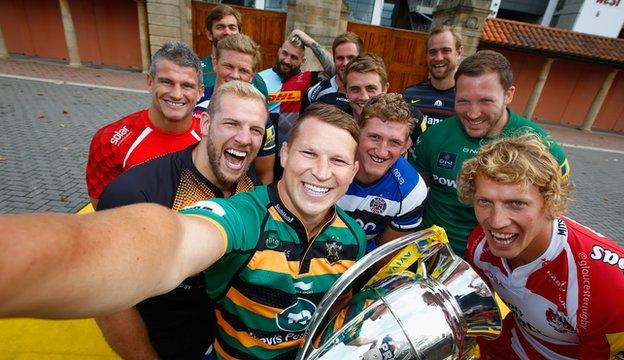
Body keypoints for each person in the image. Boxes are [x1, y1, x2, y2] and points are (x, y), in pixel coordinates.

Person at [0, 103, 366, 359]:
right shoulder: (245, 215)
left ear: (353, 171)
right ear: (284, 154)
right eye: (309, 154)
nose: (321, 172)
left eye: (337, 160)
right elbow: (173, 240)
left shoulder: (354, 237)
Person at [94, 81, 266, 359]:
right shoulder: (138, 192)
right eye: (232, 124)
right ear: (206, 124)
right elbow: (107, 301)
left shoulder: (249, 183)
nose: (245, 138)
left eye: (255, 129)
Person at [458, 133, 624, 359]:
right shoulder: (480, 244)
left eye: (517, 203)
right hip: (508, 345)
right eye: (485, 201)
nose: (496, 222)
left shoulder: (614, 290)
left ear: (552, 203)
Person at [410, 50, 570, 257]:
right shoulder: (434, 137)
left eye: (486, 101)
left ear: (508, 95)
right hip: (431, 252)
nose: (473, 113)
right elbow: (414, 196)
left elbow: (553, 210)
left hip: (498, 262)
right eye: (463, 101)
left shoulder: (542, 148)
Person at [86, 41, 203, 208]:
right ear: (150, 82)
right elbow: (105, 210)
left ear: (200, 92)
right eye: (167, 82)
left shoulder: (210, 138)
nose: (177, 94)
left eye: (187, 86)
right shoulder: (109, 140)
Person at [337, 93, 427, 253]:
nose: (381, 151)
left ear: (406, 145)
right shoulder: (329, 163)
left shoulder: (411, 189)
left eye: (394, 142)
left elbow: (383, 256)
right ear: (357, 132)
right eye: (374, 137)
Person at [196, 33, 276, 184]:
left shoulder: (262, 119)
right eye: (228, 66)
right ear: (215, 63)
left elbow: (265, 173)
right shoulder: (193, 103)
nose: (235, 75)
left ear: (252, 76)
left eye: (244, 71)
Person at [258, 31, 333, 155]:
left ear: (303, 61)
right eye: (285, 54)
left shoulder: (308, 79)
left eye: (294, 57)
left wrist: (310, 42)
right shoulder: (259, 78)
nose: (287, 61)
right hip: (263, 151)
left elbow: (338, 72)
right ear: (278, 51)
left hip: (292, 152)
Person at [344, 53, 425, 145]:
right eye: (355, 89)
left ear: (385, 89)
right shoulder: (337, 122)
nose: (364, 97)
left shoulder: (412, 119)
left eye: (371, 89)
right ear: (345, 91)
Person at [199, 4, 268, 103]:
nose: (227, 32)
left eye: (232, 28)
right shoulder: (196, 71)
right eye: (220, 27)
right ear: (210, 34)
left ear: (239, 33)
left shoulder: (257, 80)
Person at [403, 25, 461, 128]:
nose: (439, 58)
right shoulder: (409, 95)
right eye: (433, 52)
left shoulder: (468, 99)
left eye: (446, 50)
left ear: (458, 53)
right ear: (426, 56)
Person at [304, 31, 363, 113]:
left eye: (351, 57)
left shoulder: (368, 96)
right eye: (340, 58)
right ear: (334, 60)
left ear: (360, 59)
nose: (345, 63)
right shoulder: (315, 92)